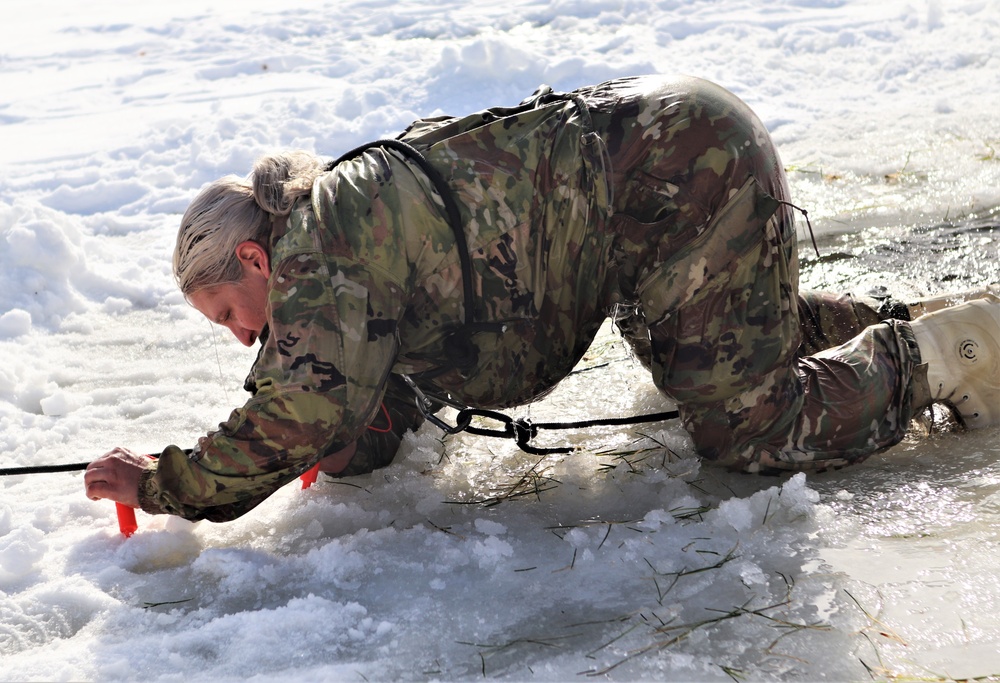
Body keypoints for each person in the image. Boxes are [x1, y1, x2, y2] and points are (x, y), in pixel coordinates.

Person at [83, 75, 1000, 522]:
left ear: (254, 256)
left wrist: (160, 480)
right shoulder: (337, 241)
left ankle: (939, 355)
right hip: (661, 184)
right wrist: (340, 440)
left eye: (230, 315)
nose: (243, 340)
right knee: (718, 355)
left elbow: (301, 406)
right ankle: (904, 315)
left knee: (742, 429)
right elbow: (362, 394)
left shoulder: (322, 246)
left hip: (682, 172)